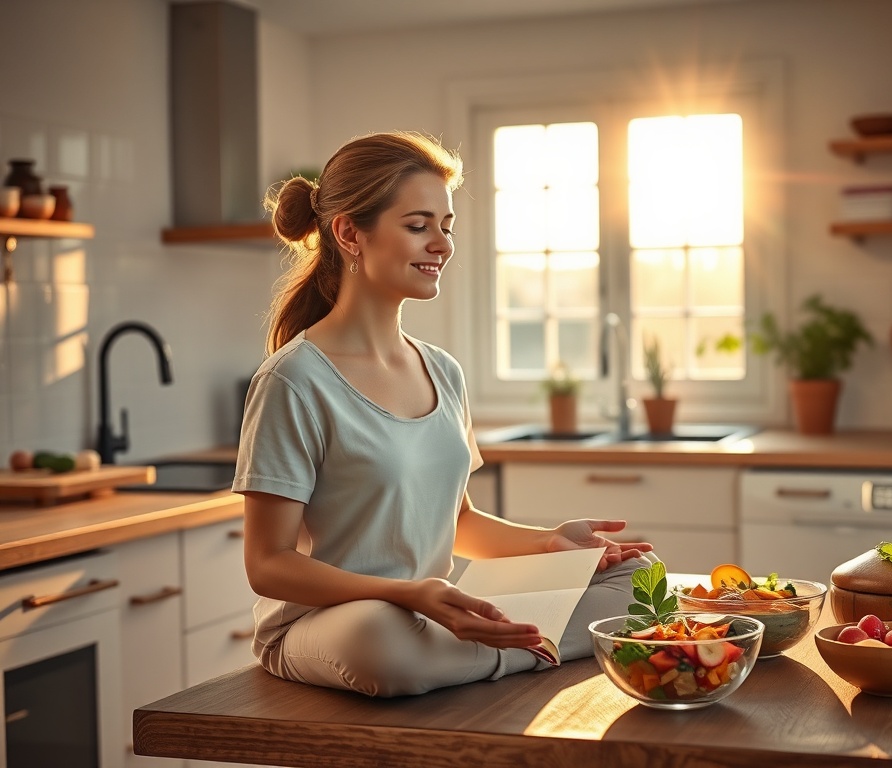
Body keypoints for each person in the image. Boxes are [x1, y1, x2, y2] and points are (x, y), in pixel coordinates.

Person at [233, 130, 655, 698]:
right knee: (380, 639)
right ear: (350, 233)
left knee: (638, 579)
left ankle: (493, 649)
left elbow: (458, 521)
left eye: (447, 227)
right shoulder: (293, 381)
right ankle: (529, 646)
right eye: (418, 226)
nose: (442, 245)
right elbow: (267, 564)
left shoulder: (441, 371)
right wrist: (404, 594)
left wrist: (550, 542)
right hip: (338, 622)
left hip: (431, 610)